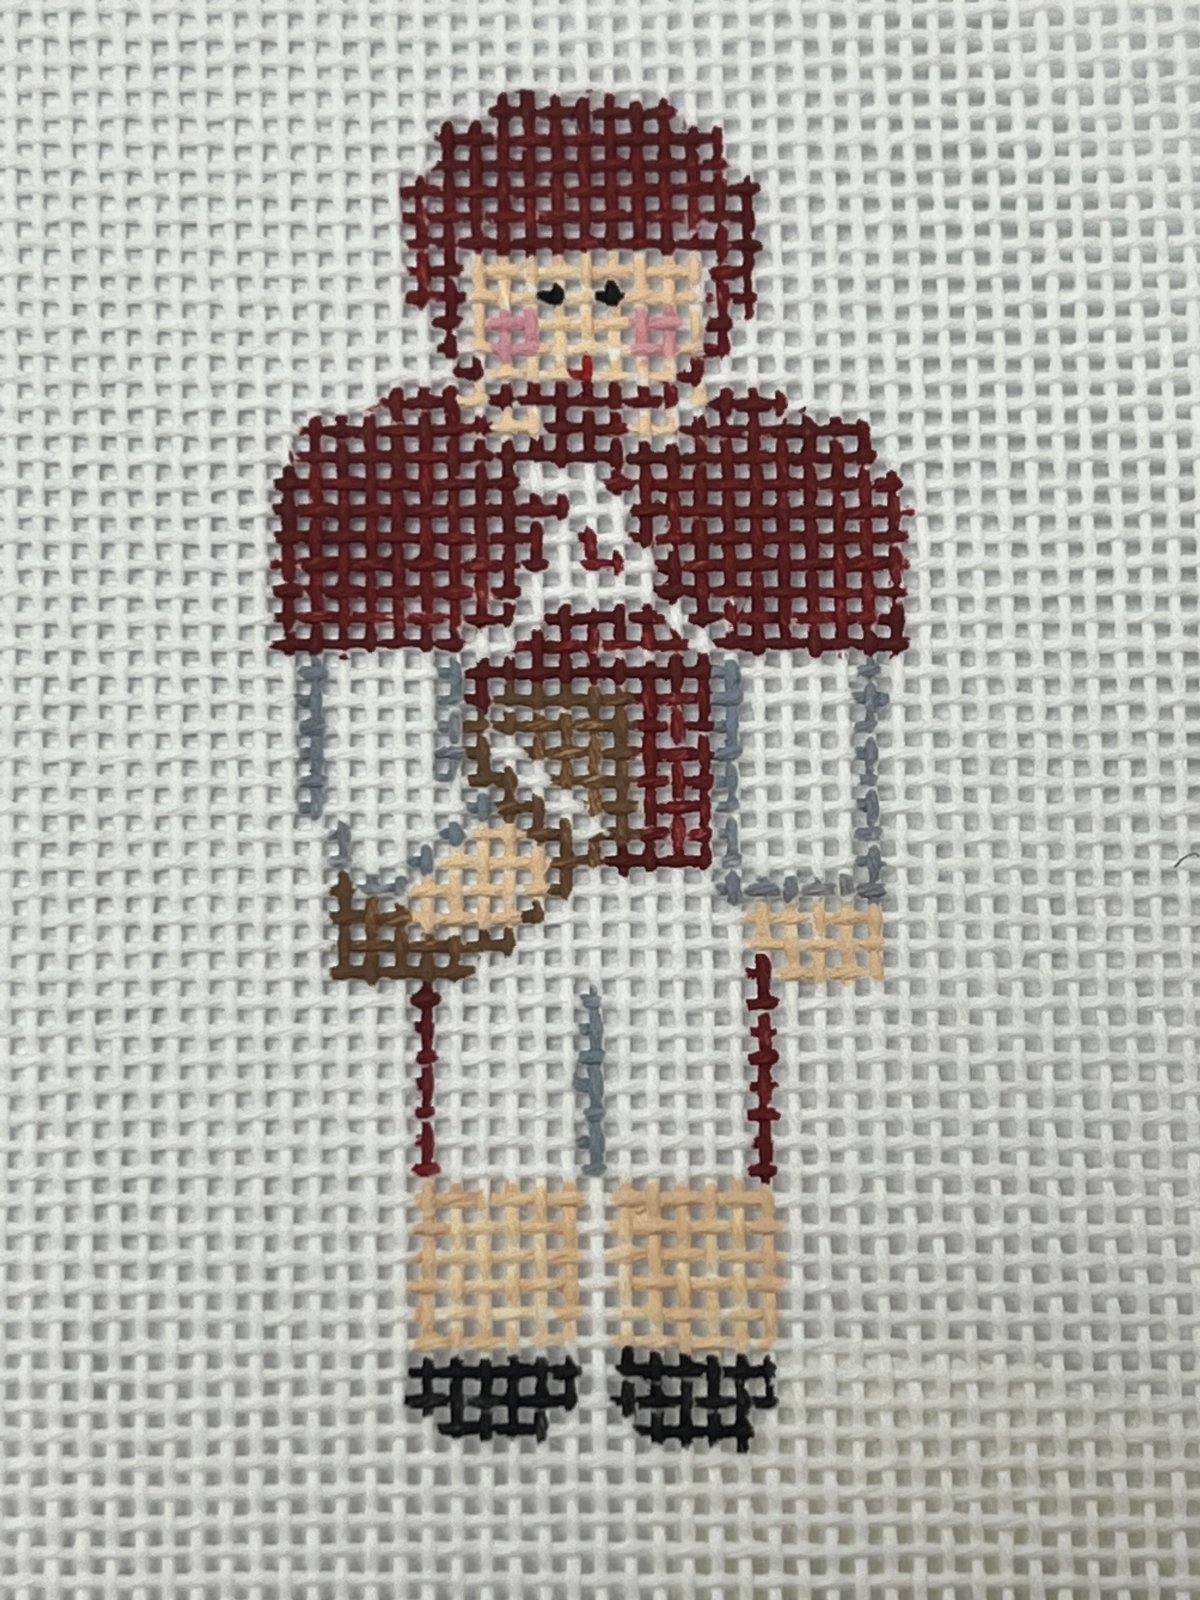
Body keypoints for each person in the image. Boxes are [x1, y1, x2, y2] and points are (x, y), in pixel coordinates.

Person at [272, 90, 909, 1448]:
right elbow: (372, 685)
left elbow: (802, 686)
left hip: (684, 876)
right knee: (496, 1105)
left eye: (624, 293)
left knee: (695, 1100)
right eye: (537, 294)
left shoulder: (767, 477)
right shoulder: (407, 476)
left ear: (710, 293)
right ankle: (493, 1350)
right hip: (492, 869)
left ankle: (696, 1350)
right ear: (455, 297)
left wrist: (806, 879)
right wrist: (409, 860)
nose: (583, 329)